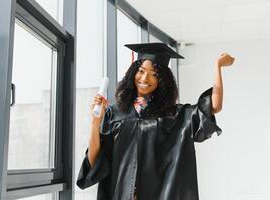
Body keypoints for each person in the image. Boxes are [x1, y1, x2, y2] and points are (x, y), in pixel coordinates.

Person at [76, 43, 235, 200]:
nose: (145, 78)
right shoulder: (115, 112)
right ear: (133, 73)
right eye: (141, 71)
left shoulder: (174, 115)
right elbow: (96, 160)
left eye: (154, 74)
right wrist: (96, 121)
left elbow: (214, 105)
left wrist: (217, 67)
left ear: (162, 80)